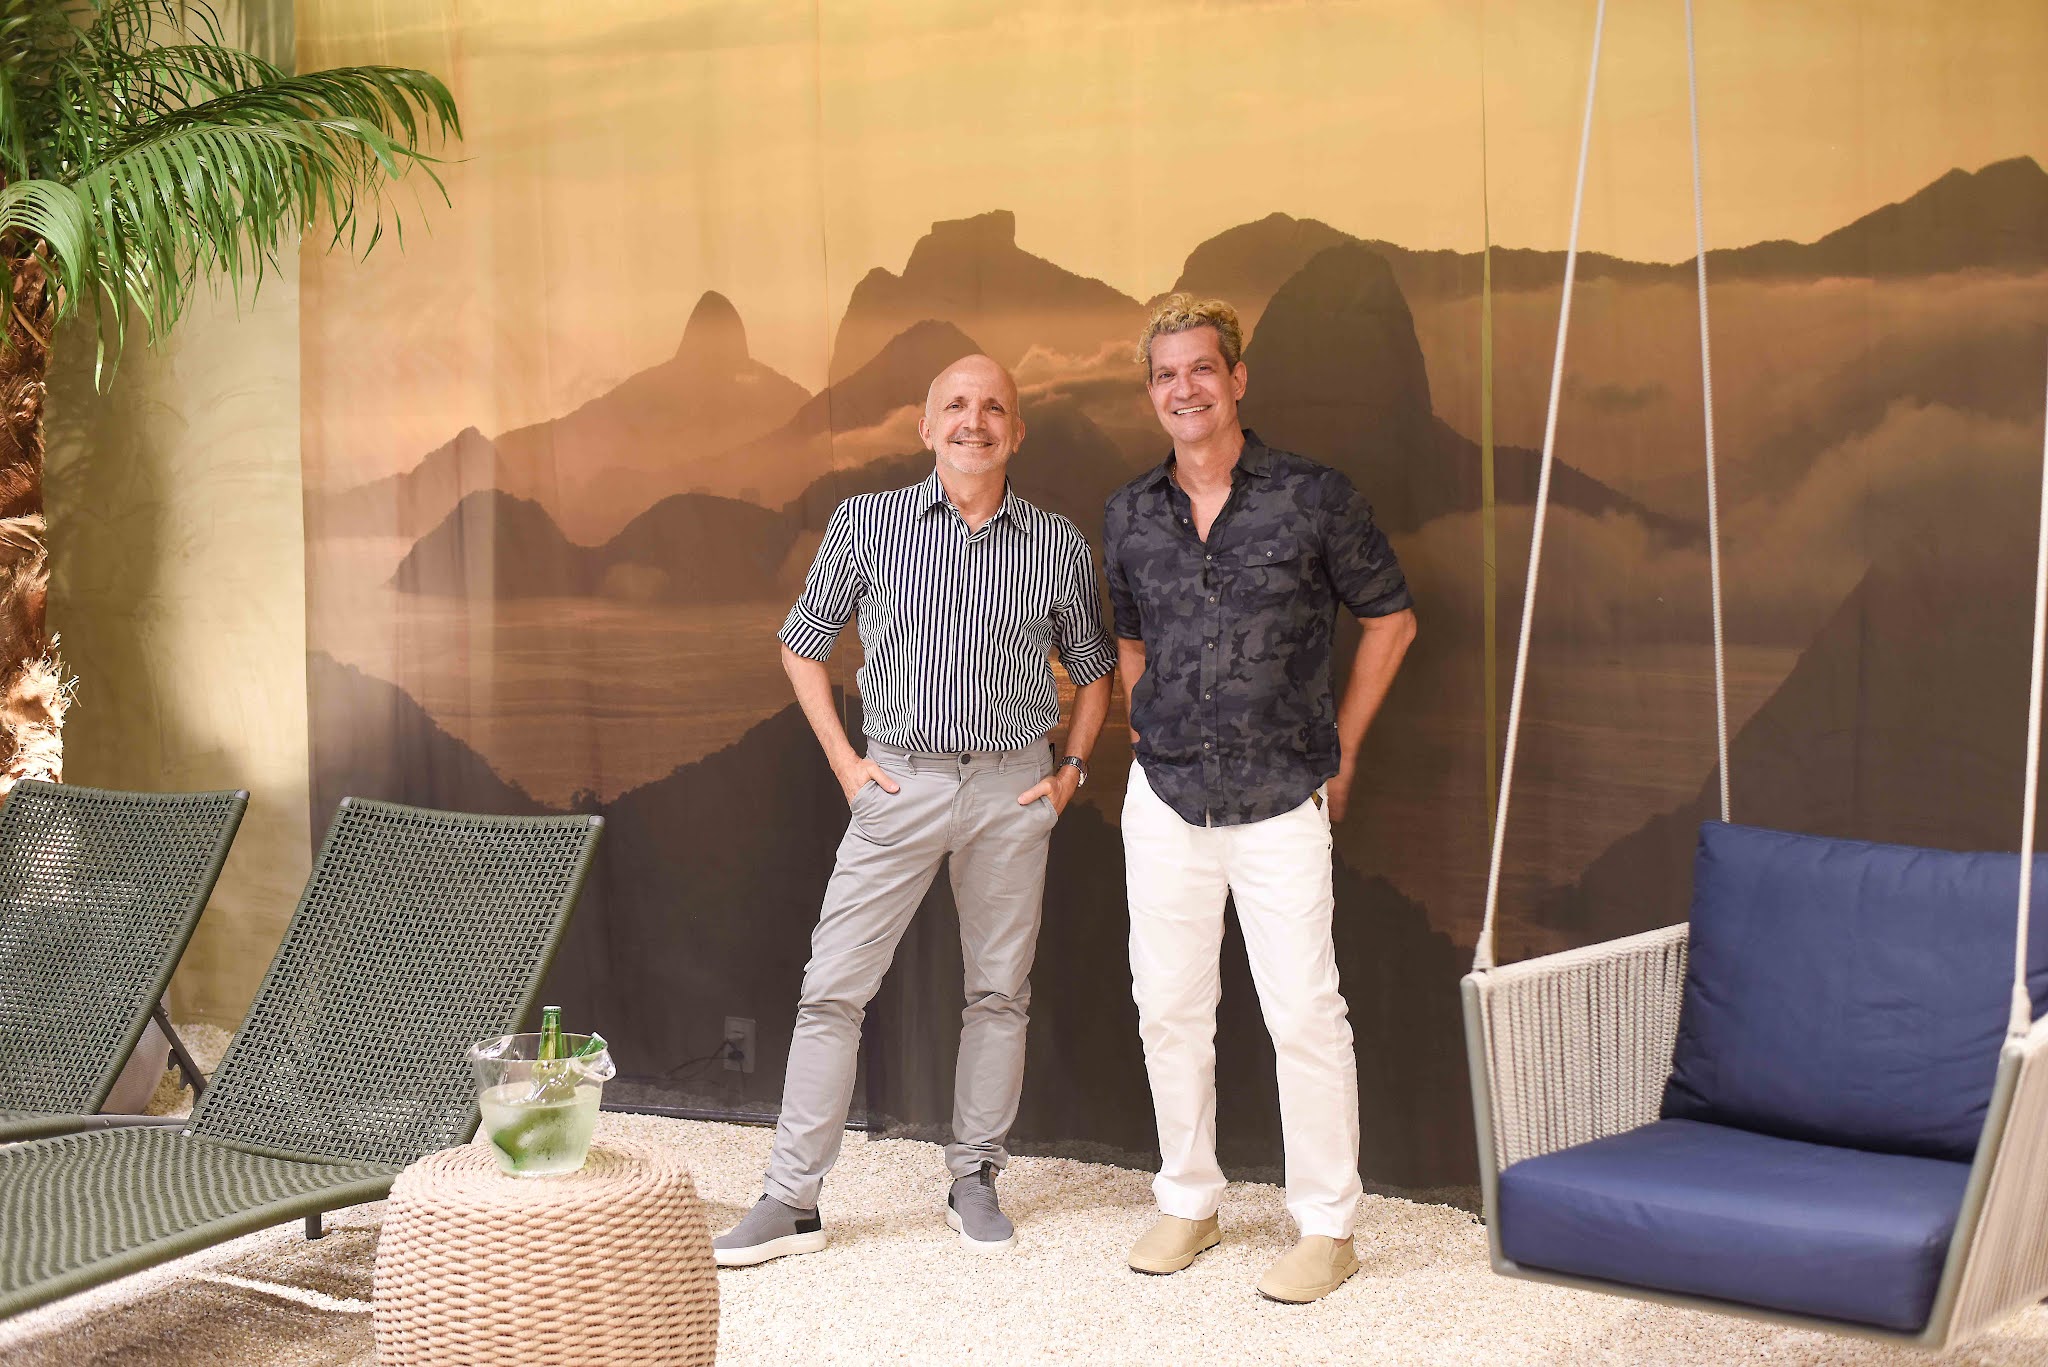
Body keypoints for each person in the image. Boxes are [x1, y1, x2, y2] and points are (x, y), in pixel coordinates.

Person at [714, 354, 1116, 1265]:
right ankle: (792, 1199)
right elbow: (802, 644)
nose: (975, 421)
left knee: (999, 994)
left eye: (994, 408)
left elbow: (1094, 670)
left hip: (1012, 787)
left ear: (1016, 432)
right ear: (925, 426)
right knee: (832, 989)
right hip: (897, 785)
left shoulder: (1056, 542)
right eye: (957, 406)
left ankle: (974, 1178)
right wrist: (847, 765)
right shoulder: (868, 522)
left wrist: (1070, 772)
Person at [1102, 294, 1417, 1302]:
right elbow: (1130, 639)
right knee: (1167, 1006)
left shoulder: (1312, 497)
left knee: (1304, 1013)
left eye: (1201, 368)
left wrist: (1341, 748)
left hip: (1282, 797)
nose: (1183, 389)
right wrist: (1143, 727)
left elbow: (1391, 619)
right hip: (1164, 798)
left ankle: (1326, 1225)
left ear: (1236, 379)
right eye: (1165, 375)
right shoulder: (1129, 512)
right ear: (1151, 393)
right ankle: (1188, 1199)